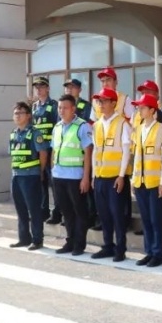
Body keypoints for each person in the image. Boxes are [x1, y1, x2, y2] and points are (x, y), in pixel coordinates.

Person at [91, 87, 133, 262]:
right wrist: (94, 175)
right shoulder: (97, 125)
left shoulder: (122, 124)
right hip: (100, 177)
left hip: (116, 178)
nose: (100, 104)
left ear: (114, 103)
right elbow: (95, 150)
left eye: (104, 101)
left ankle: (120, 248)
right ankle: (108, 245)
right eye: (99, 101)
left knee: (118, 215)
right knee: (104, 214)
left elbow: (126, 151)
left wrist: (122, 175)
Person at [130, 93, 162, 268]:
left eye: (143, 107)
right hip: (140, 181)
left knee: (156, 220)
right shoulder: (138, 129)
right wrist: (133, 178)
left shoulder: (161, 129)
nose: (139, 110)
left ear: (152, 110)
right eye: (139, 107)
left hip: (155, 182)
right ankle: (149, 252)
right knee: (145, 219)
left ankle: (158, 253)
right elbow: (136, 156)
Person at [51, 95, 94, 256]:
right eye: (59, 107)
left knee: (79, 211)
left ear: (73, 109)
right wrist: (53, 171)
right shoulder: (57, 127)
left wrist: (86, 177)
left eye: (65, 108)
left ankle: (79, 244)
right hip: (59, 176)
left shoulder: (82, 126)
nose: (61, 111)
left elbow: (88, 153)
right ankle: (70, 241)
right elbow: (54, 150)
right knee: (66, 211)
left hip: (76, 176)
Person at [9, 101, 50, 251]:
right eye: (15, 113)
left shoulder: (34, 133)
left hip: (30, 176)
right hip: (16, 176)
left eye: (20, 113)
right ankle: (23, 238)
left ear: (28, 116)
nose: (17, 116)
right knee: (20, 209)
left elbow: (43, 153)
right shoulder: (13, 134)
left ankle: (37, 240)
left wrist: (40, 171)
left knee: (34, 209)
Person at [64, 77, 97, 230]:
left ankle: (91, 215)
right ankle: (72, 216)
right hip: (69, 155)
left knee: (87, 187)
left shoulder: (86, 106)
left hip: (84, 151)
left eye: (73, 87)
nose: (69, 90)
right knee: (70, 188)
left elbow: (89, 127)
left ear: (79, 90)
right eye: (67, 87)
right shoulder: (62, 107)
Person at [31, 77, 59, 224]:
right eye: (36, 87)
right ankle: (43, 211)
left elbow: (57, 127)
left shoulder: (53, 105)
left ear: (47, 88)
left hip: (50, 149)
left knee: (53, 181)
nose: (39, 89)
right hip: (38, 150)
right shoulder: (34, 106)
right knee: (40, 180)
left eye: (41, 86)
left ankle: (57, 212)